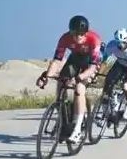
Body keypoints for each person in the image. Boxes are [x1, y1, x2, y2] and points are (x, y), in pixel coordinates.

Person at [36, 15, 102, 144]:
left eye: (81, 34)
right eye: (74, 34)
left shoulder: (94, 39)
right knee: (61, 82)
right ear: (70, 32)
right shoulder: (64, 38)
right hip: (75, 58)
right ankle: (63, 117)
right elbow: (56, 60)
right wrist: (47, 77)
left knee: (79, 88)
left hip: (90, 63)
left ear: (86, 33)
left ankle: (77, 130)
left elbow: (92, 68)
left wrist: (79, 78)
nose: (78, 37)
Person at [101, 28, 127, 120]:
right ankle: (105, 102)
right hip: (119, 64)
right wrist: (97, 74)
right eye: (118, 42)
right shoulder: (111, 45)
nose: (120, 45)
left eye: (123, 42)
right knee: (108, 80)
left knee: (126, 85)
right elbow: (104, 62)